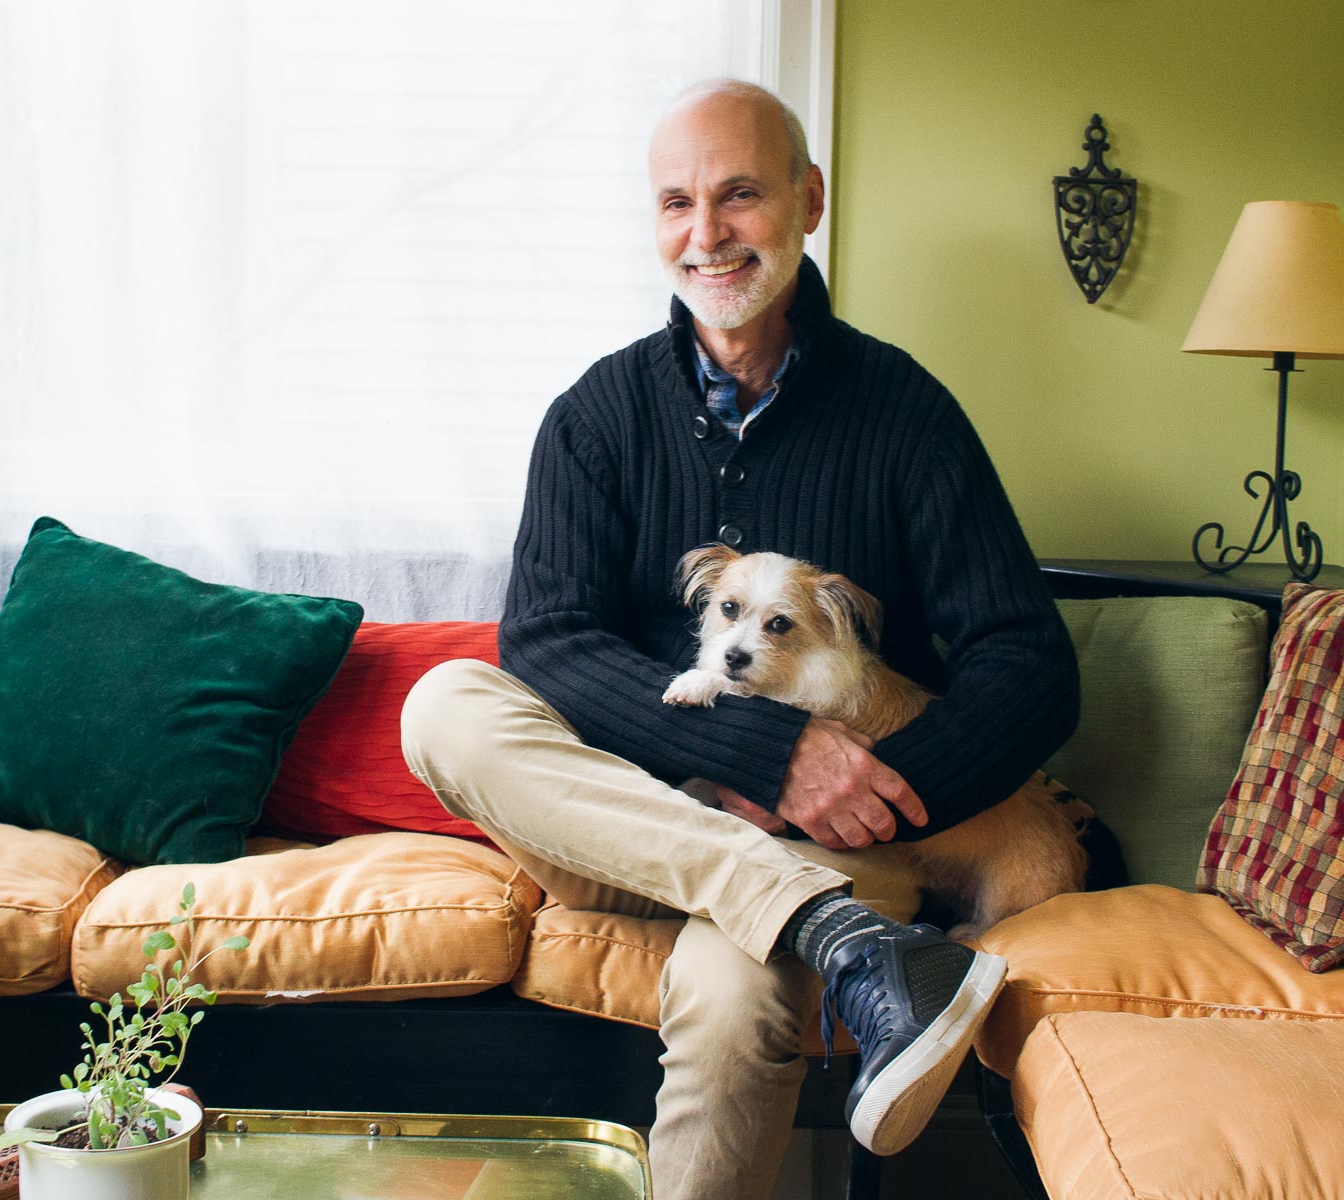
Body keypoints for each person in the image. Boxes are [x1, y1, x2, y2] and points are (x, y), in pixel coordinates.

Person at [401, 79, 1079, 1200]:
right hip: (618, 831)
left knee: (734, 1007)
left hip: (826, 849)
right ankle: (851, 944)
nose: (705, 234)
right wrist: (771, 760)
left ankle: (812, 914)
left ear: (810, 201)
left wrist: (859, 789)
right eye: (676, 202)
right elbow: (548, 644)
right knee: (446, 703)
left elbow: (1028, 665)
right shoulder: (596, 416)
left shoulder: (907, 415)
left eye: (740, 195)